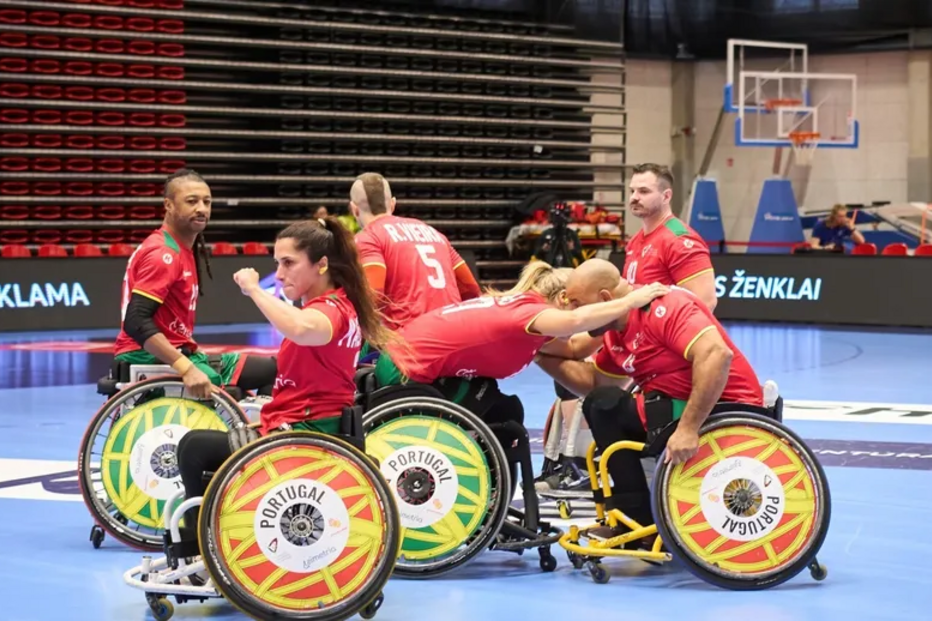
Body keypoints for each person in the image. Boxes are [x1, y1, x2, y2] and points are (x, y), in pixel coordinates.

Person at [170, 216, 393, 557]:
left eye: (288, 263)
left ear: (321, 266)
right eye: (277, 263)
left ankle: (201, 549)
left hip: (305, 433)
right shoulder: (342, 305)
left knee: (193, 448)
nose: (280, 272)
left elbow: (302, 329)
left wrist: (254, 290)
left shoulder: (330, 312)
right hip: (304, 422)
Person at [535, 259, 763, 539]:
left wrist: (689, 428)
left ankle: (640, 523)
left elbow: (717, 355)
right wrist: (536, 353)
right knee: (602, 403)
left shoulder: (664, 307)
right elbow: (594, 384)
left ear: (605, 298)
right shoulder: (616, 332)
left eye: (578, 303)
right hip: (669, 406)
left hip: (725, 407)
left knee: (605, 405)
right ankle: (638, 520)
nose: (573, 313)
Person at [537, 163, 718, 496]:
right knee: (580, 380)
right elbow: (617, 302)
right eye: (632, 191)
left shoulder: (680, 240)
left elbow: (704, 301)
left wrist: (659, 349)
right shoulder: (637, 241)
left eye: (644, 191)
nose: (635, 197)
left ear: (666, 195)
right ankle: (588, 471)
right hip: (633, 334)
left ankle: (582, 468)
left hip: (664, 345)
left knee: (601, 397)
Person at [371, 261, 669, 423]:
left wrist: (611, 326)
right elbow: (577, 322)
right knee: (500, 410)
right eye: (581, 304)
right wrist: (630, 302)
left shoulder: (527, 317)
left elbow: (575, 347)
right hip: (404, 373)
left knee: (504, 410)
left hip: (405, 362)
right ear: (563, 299)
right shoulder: (531, 313)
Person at [112, 168, 276, 399]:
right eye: (191, 201)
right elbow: (136, 321)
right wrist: (186, 367)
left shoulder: (182, 249)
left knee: (274, 370)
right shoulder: (163, 254)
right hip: (147, 356)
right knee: (226, 389)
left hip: (178, 353)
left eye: (206, 202)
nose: (201, 208)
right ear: (168, 205)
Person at [350, 172, 481, 332]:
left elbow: (372, 299)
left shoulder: (367, 238)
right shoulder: (434, 233)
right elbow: (472, 290)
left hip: (411, 340)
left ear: (354, 209)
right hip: (454, 334)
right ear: (392, 204)